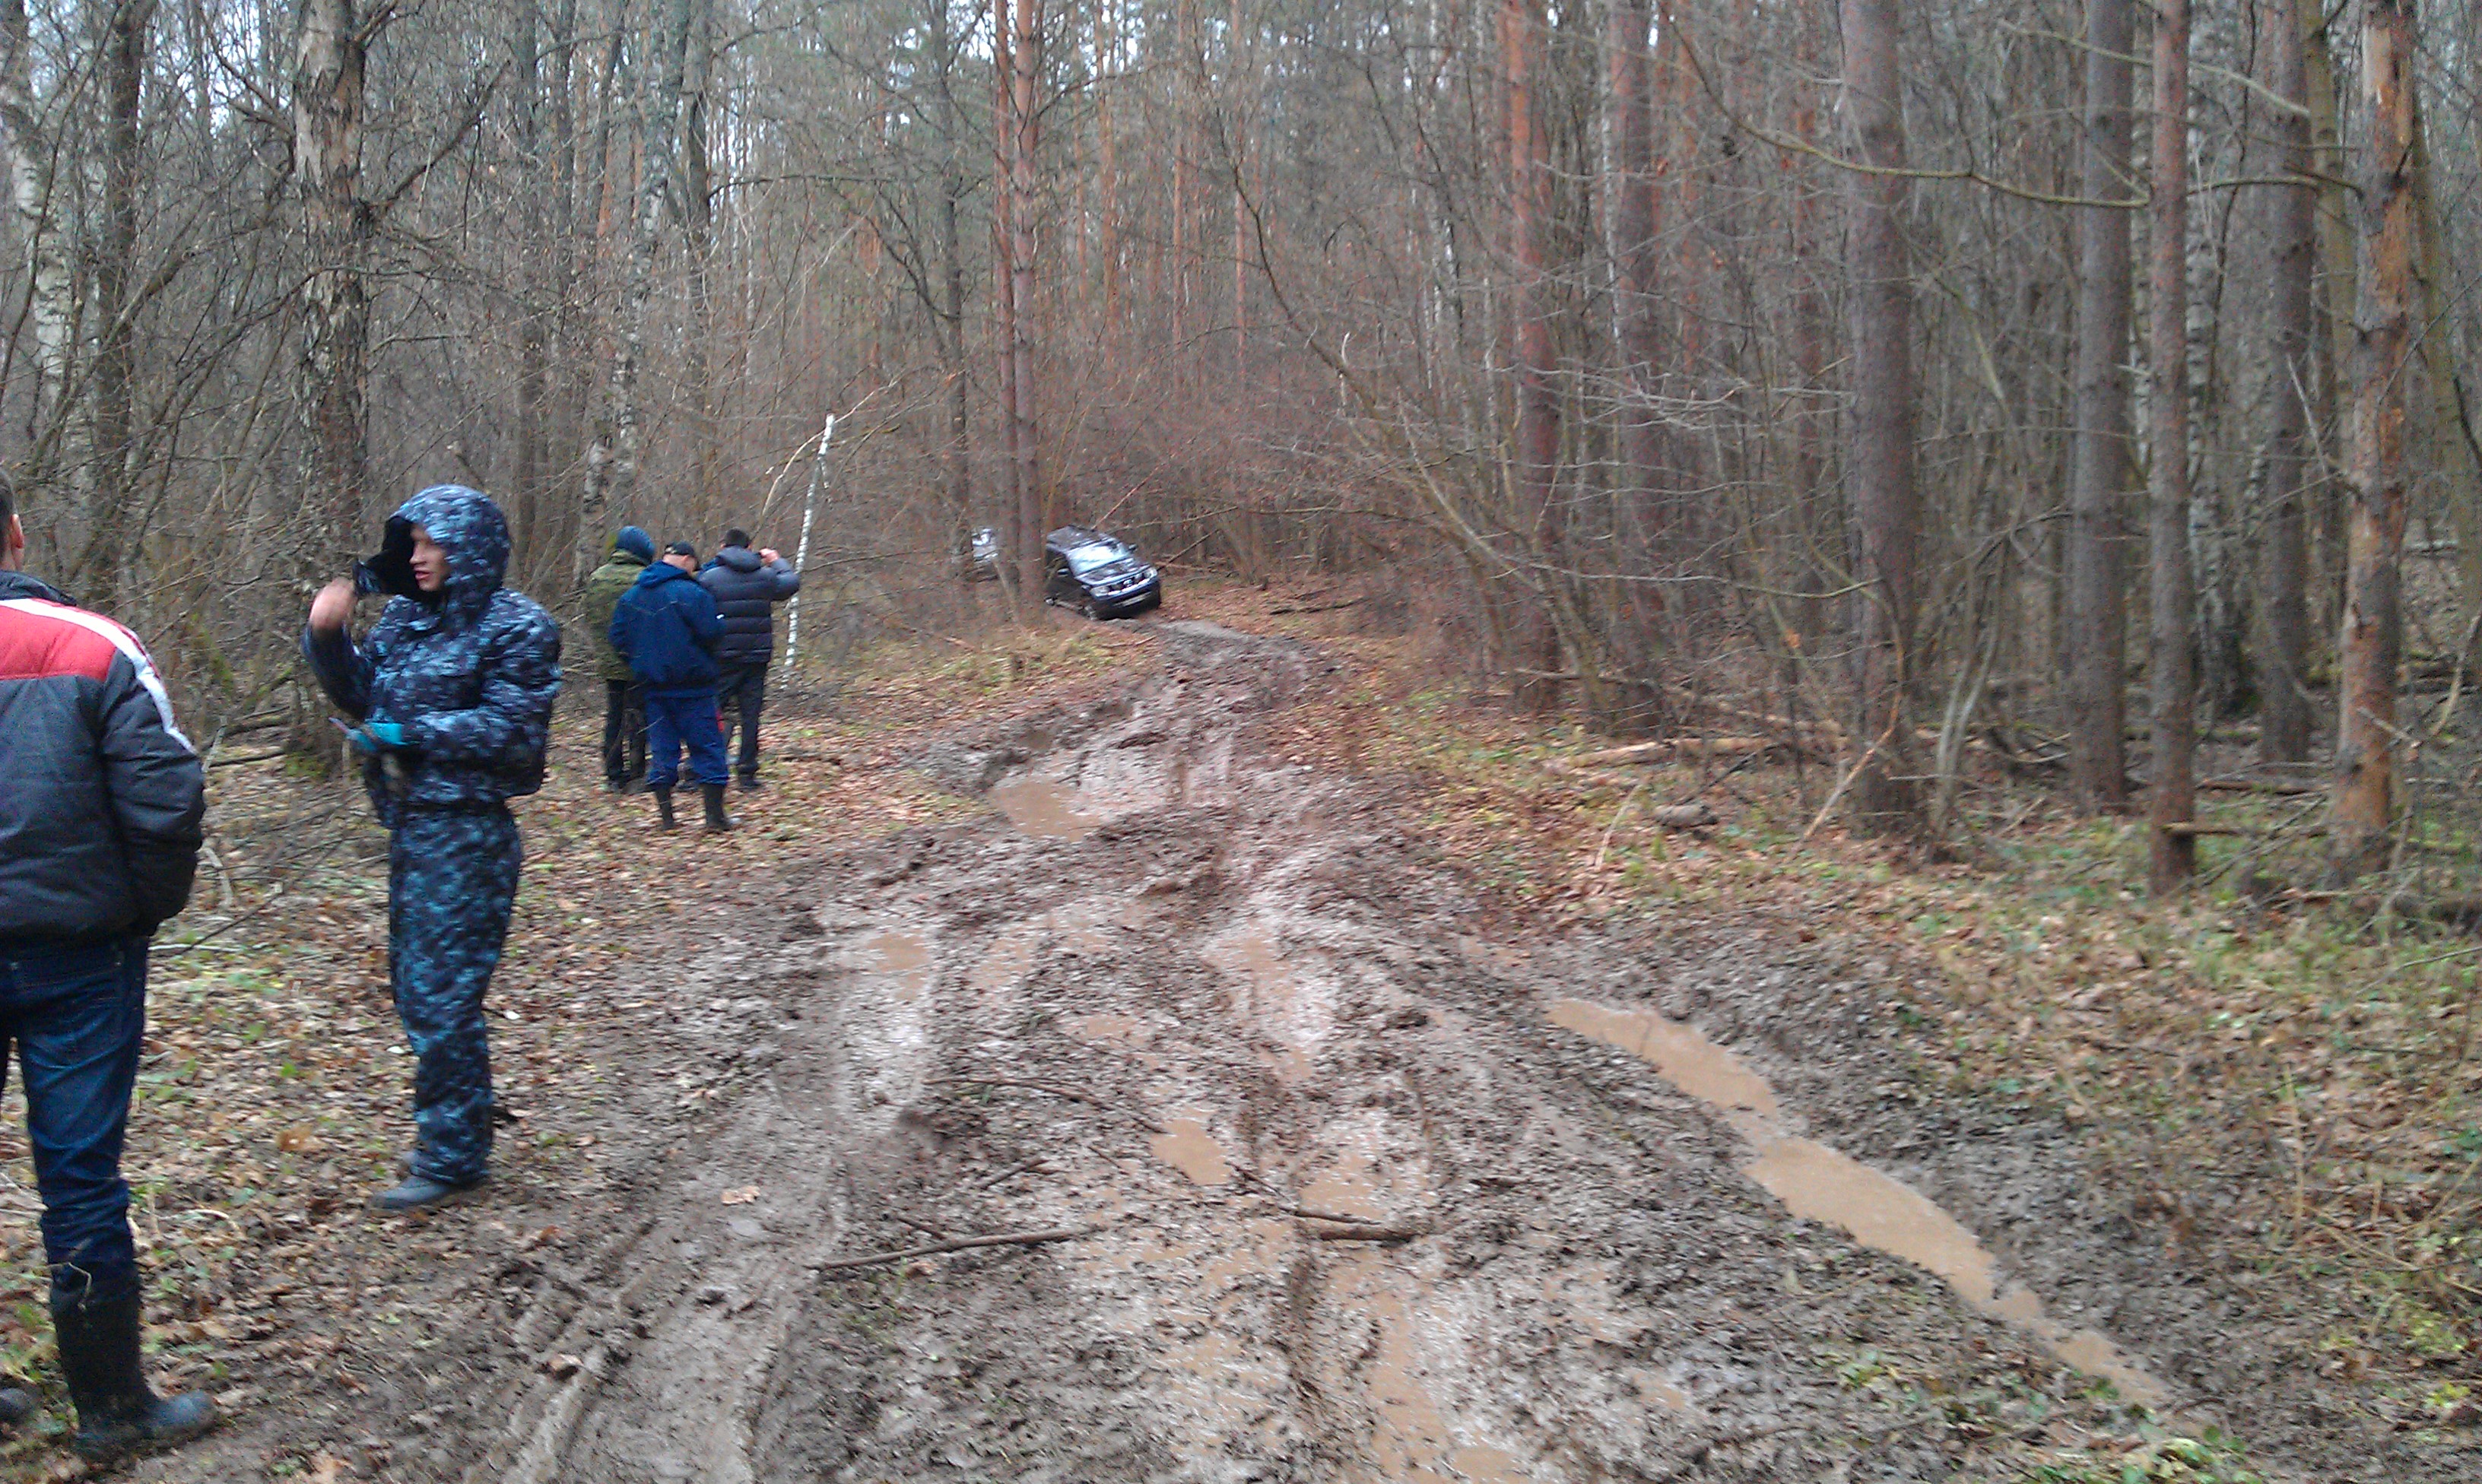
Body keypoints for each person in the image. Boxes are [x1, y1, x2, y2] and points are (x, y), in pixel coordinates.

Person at [0, 472, 218, 1460]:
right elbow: (167, 796)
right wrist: (139, 911)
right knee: (80, 1174)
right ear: (15, 533)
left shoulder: (93, 647)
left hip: (83, 945)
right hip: (80, 955)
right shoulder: (95, 645)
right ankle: (111, 1409)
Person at [301, 485, 560, 1213]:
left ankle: (452, 1158)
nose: (417, 557)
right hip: (414, 826)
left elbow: (513, 727)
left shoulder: (519, 626)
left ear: (470, 547)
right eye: (410, 543)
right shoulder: (406, 620)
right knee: (422, 992)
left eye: (432, 543)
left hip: (469, 832)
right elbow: (365, 695)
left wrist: (412, 734)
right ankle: (460, 1131)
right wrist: (328, 640)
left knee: (443, 996)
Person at [608, 540, 738, 832]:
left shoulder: (632, 597)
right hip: (695, 688)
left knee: (663, 752)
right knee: (708, 749)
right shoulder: (693, 594)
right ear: (688, 560)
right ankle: (715, 818)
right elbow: (713, 633)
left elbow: (617, 639)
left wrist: (641, 663)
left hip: (654, 688)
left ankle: (667, 820)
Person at [697, 528, 800, 790]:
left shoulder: (709, 578)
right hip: (756, 656)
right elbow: (791, 583)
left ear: (722, 547)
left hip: (722, 656)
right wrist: (776, 560)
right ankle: (747, 774)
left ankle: (704, 769)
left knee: (711, 714)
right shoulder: (765, 576)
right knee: (750, 716)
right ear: (750, 547)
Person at [582, 526, 655, 791]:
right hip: (639, 659)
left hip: (608, 659)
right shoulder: (645, 578)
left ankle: (613, 773)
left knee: (615, 715)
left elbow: (591, 616)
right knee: (639, 716)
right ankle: (637, 771)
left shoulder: (597, 577)